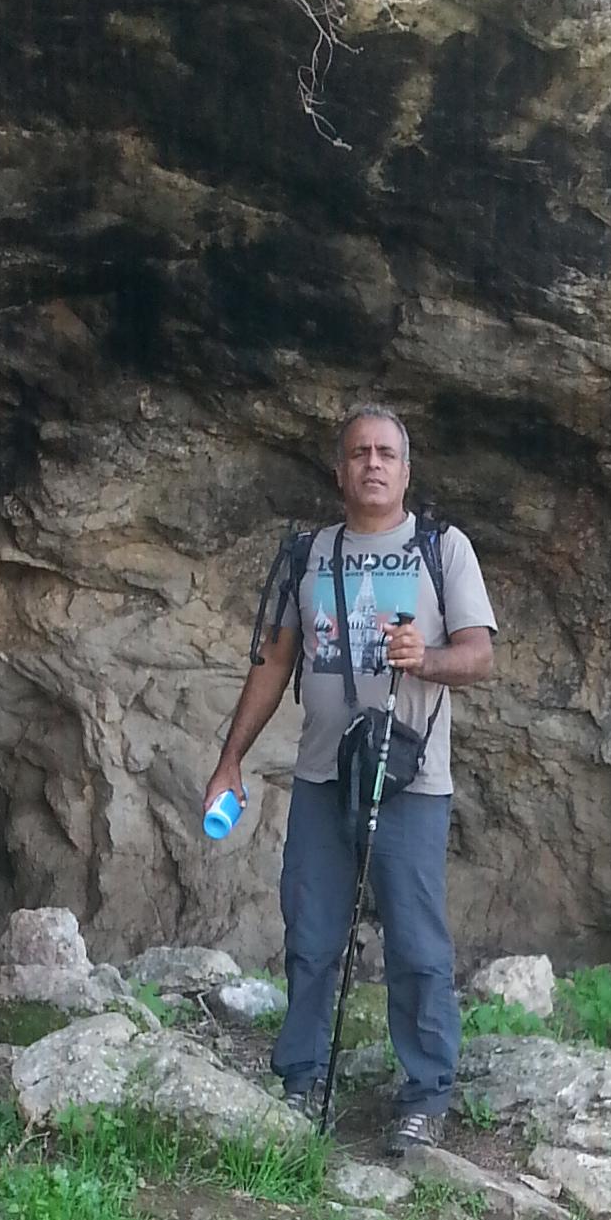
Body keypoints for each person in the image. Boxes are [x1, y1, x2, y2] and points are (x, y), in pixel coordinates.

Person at [202, 405, 496, 1152]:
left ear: (406, 471)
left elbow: (479, 655)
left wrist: (425, 659)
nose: (373, 463)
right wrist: (231, 759)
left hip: (409, 780)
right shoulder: (307, 554)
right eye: (359, 452)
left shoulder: (442, 549)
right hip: (323, 776)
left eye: (386, 453)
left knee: (417, 944)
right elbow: (273, 664)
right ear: (339, 471)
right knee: (310, 933)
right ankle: (301, 1083)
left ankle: (425, 1095)